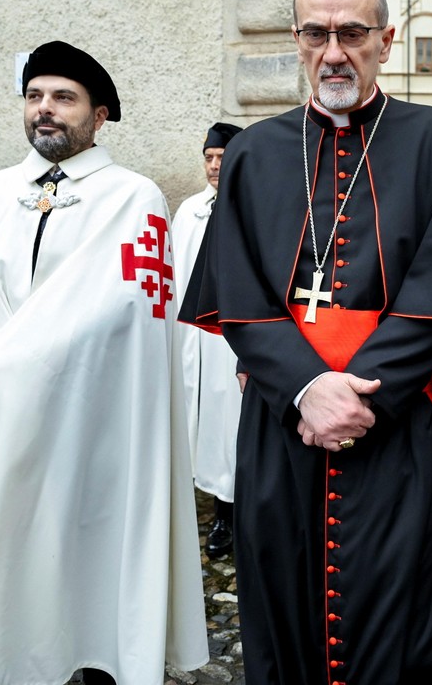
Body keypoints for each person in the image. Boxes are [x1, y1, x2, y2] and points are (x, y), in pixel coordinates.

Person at [180, 0, 432, 685]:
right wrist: (303, 388)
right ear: (296, 41)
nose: (334, 52)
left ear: (386, 40)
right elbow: (238, 292)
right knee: (280, 594)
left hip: (396, 419)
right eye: (316, 34)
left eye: (352, 33)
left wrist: (355, 399)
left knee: (400, 602)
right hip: (281, 418)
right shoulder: (256, 154)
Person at [0, 41, 209, 685]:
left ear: (99, 115)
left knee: (71, 541)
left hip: (84, 415)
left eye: (63, 98)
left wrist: (22, 373)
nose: (45, 111)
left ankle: (85, 654)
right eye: (35, 96)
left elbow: (114, 309)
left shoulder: (133, 198)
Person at [173, 121, 244, 559]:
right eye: (209, 158)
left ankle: (228, 511)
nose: (214, 166)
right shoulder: (188, 211)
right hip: (188, 338)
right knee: (189, 415)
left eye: (222, 158)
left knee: (226, 423)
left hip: (227, 341)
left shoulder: (251, 208)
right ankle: (188, 497)